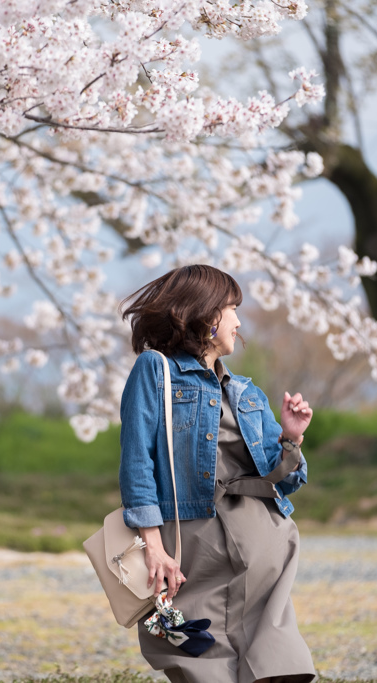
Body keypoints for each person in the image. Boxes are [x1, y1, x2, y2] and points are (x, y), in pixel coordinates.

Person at [118, 265, 317, 683]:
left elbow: (283, 480)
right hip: (194, 546)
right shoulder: (155, 371)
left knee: (273, 665)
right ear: (206, 313)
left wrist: (292, 438)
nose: (239, 321)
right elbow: (137, 463)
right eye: (232, 309)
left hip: (263, 544)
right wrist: (153, 546)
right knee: (201, 658)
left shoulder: (246, 391)